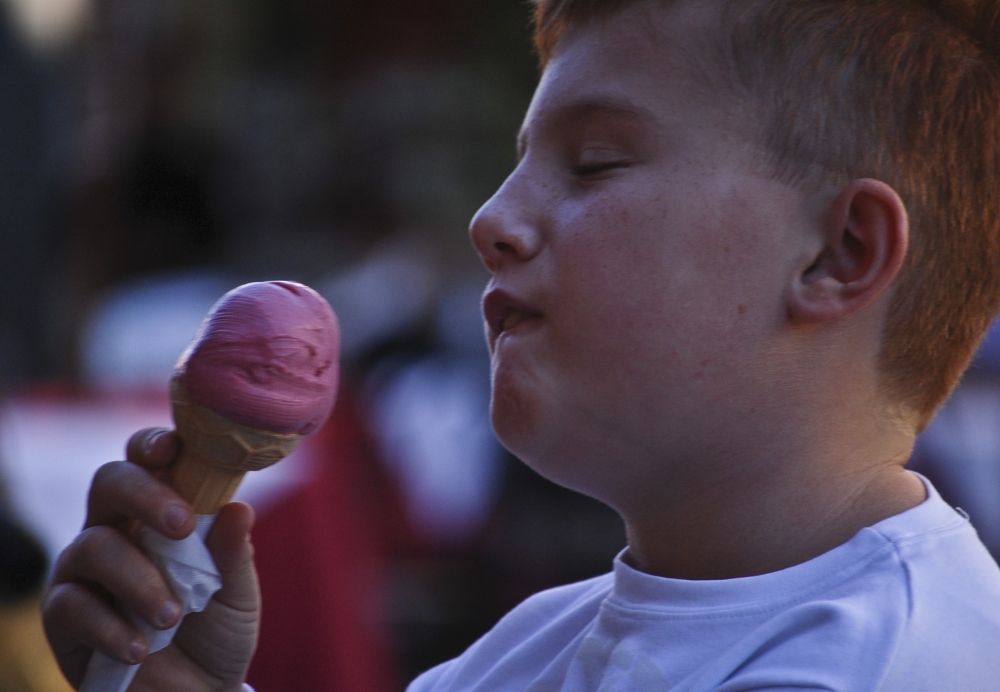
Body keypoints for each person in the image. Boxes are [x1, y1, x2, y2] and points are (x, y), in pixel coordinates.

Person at [42, 0, 1000, 690]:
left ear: (840, 252)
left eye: (595, 164)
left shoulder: (895, 661)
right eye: (515, 164)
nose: (490, 219)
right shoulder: (519, 653)